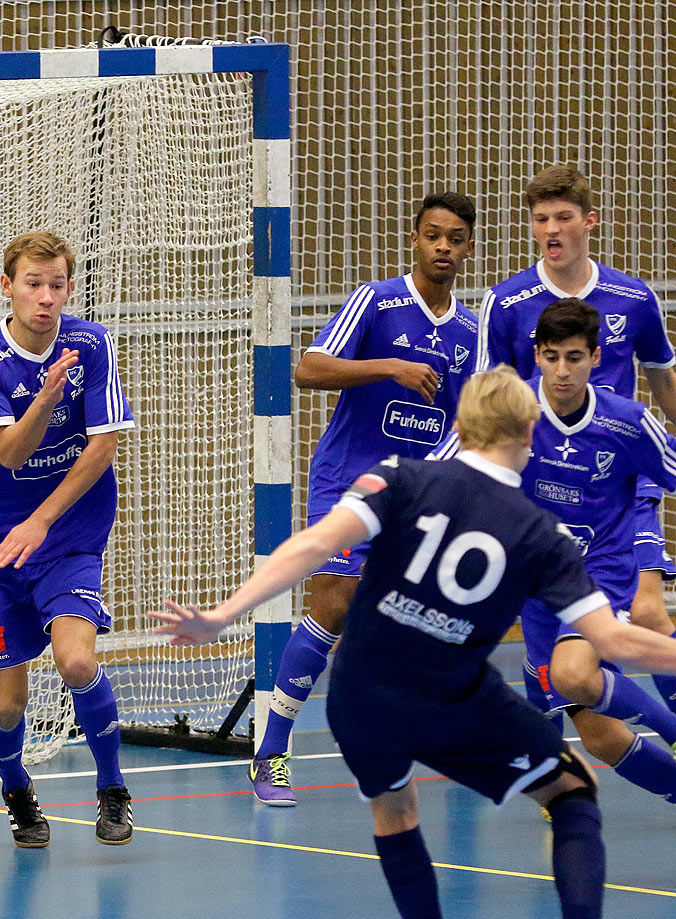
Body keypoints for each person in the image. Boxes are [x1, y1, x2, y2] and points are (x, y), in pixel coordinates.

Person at [151, 367, 674, 919]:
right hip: (449, 696)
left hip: (358, 694)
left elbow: (314, 545)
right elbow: (618, 642)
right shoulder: (544, 536)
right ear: (532, 432)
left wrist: (223, 616)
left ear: (459, 426)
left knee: (395, 813)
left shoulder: (400, 476)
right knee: (571, 793)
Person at [251, 192, 480, 805]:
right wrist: (390, 368)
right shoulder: (377, 301)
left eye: (455, 238)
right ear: (414, 238)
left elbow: (470, 423)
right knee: (334, 601)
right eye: (433, 234)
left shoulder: (470, 334)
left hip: (414, 490)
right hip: (347, 478)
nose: (442, 247)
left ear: (468, 249)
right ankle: (271, 749)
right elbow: (308, 368)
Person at [437, 300, 676, 801]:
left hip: (600, 573)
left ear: (596, 356)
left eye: (574, 357)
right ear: (536, 355)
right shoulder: (508, 412)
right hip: (536, 586)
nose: (562, 371)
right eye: (551, 357)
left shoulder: (628, 421)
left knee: (572, 674)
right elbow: (444, 469)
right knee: (602, 738)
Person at [0, 231, 136, 848]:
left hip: (67, 534)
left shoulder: (92, 343)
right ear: (8, 287)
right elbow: (8, 452)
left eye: (58, 285)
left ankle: (112, 790)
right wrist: (47, 398)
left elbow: (103, 446)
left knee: (77, 659)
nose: (46, 297)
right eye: (34, 284)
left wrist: (46, 521)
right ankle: (15, 787)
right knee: (7, 699)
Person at [479, 165, 676, 715]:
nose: (551, 229)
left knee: (650, 612)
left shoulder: (633, 297)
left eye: (563, 217)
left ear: (589, 222)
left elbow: (662, 378)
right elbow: (485, 400)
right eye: (540, 219)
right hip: (545, 486)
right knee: (562, 674)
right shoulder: (507, 302)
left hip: (625, 485)